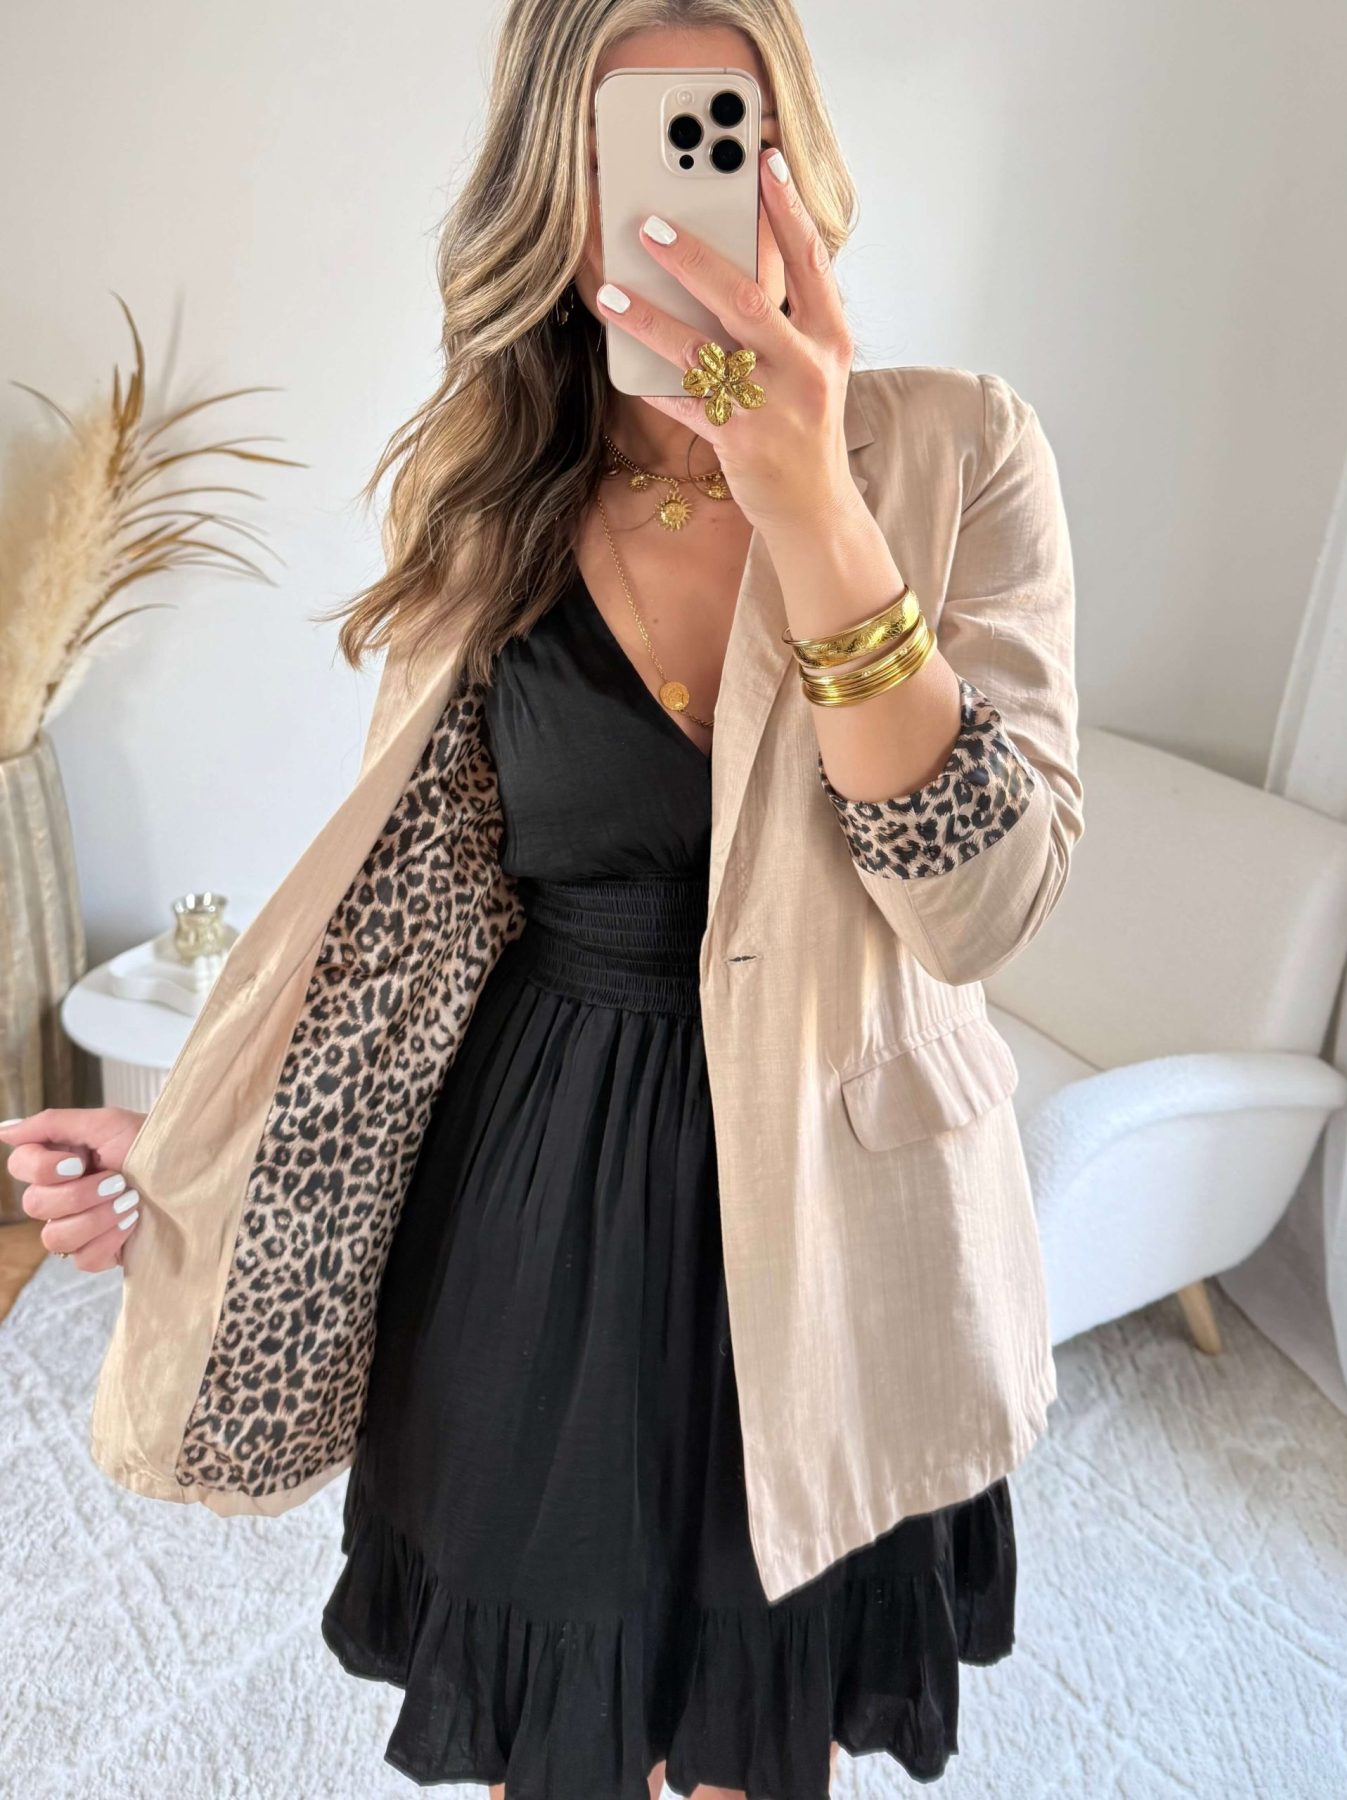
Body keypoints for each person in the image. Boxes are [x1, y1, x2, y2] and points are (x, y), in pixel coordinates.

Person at [2, 2, 1082, 1795]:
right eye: (614, 152)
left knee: (758, 1738)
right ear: (542, 189)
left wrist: (813, 504)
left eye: (719, 134)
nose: (672, 199)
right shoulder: (483, 490)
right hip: (533, 1204)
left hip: (840, 1222)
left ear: (793, 164)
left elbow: (982, 915)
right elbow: (403, 923)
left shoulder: (960, 451)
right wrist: (197, 1144)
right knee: (552, 1736)